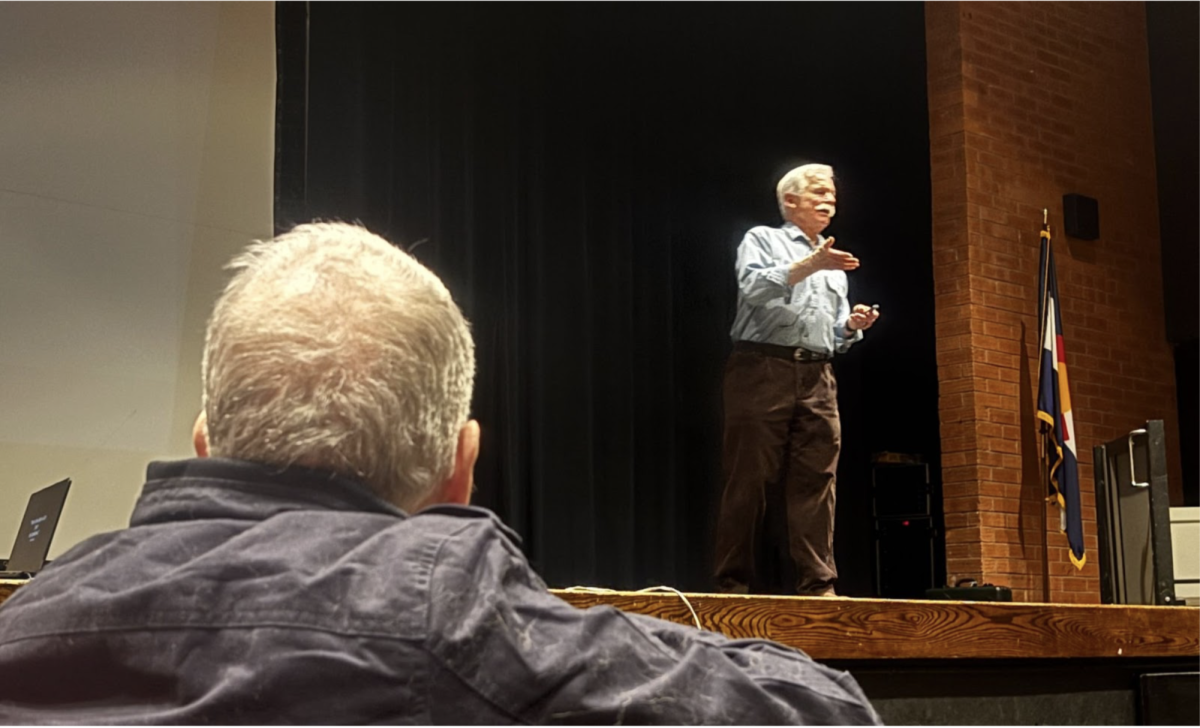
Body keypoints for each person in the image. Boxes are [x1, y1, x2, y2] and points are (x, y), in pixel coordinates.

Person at [0, 222, 880, 724]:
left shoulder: (28, 619)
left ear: (204, 440)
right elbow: (827, 714)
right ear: (462, 470)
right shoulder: (453, 616)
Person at [715, 164, 880, 597]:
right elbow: (754, 288)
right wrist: (811, 263)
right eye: (820, 194)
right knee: (748, 478)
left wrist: (851, 326)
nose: (830, 202)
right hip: (761, 369)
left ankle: (818, 585)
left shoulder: (833, 265)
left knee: (817, 480)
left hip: (819, 375)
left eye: (833, 197)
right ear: (790, 201)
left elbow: (834, 335)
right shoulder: (762, 239)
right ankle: (732, 584)